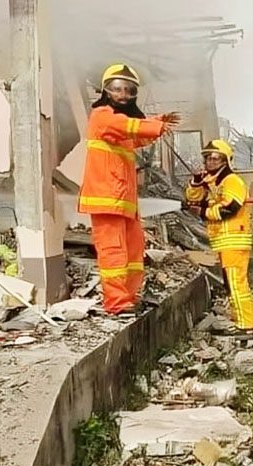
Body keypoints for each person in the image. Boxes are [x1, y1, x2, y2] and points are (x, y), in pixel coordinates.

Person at [78, 64, 180, 315]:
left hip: (123, 200)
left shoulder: (121, 124)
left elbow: (138, 135)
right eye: (117, 89)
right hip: (105, 198)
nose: (123, 95)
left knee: (133, 252)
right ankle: (116, 302)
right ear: (105, 91)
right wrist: (154, 126)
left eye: (129, 90)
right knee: (113, 252)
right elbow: (128, 126)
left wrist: (158, 122)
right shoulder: (102, 116)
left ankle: (129, 297)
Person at [183, 140, 253, 332]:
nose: (210, 162)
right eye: (207, 158)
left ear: (225, 161)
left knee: (235, 283)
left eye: (215, 158)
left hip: (235, 239)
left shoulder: (232, 181)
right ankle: (240, 319)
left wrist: (202, 212)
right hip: (224, 242)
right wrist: (196, 182)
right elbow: (192, 199)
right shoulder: (213, 183)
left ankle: (245, 325)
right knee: (231, 284)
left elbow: (229, 209)